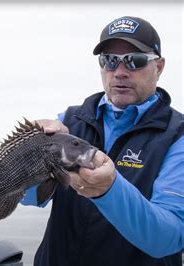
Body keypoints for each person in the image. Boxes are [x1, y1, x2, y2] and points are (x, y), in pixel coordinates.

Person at [21, 16, 183, 265]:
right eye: (109, 61)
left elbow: (169, 237)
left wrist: (109, 190)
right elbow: (29, 198)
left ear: (159, 67)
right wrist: (28, 157)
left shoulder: (177, 135)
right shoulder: (69, 121)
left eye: (135, 61)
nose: (120, 72)